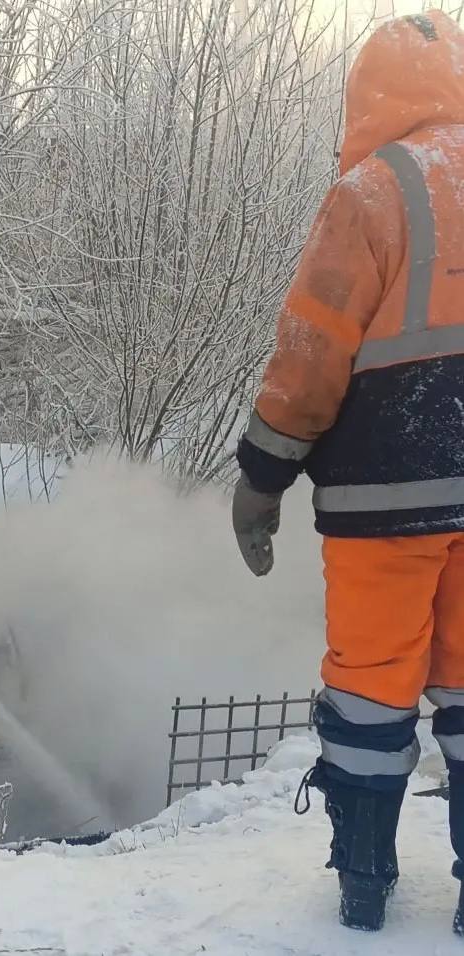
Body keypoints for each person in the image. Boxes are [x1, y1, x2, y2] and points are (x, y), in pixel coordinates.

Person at [232, 11, 464, 935]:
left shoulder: (373, 189)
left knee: (370, 688)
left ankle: (363, 885)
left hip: (383, 501)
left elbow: (312, 348)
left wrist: (263, 474)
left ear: (368, 96)